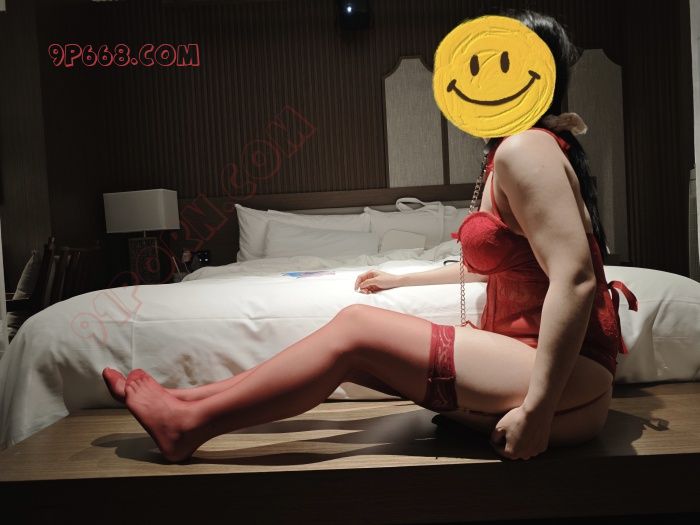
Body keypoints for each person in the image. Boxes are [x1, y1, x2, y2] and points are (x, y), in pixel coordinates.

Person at [103, 9, 637, 463]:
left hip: (562, 377)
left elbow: (575, 279)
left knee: (356, 328)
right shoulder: (520, 150)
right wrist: (400, 279)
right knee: (357, 345)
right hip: (532, 361)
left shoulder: (526, 148)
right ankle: (191, 402)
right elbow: (499, 266)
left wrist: (537, 413)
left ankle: (189, 424)